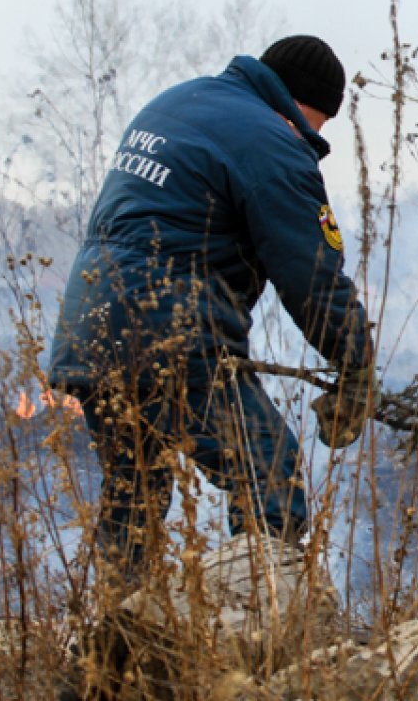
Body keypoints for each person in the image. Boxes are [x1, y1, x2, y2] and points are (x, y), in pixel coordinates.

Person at [48, 35, 375, 583]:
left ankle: (115, 644)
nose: (313, 137)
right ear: (304, 106)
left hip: (88, 328)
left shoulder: (179, 102)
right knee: (268, 470)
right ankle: (259, 629)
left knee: (134, 495)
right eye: (317, 125)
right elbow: (312, 278)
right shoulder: (273, 141)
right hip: (165, 329)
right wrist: (357, 365)